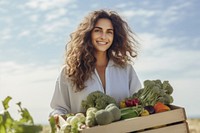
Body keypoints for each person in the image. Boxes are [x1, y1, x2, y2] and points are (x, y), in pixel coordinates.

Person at [49, 9, 142, 122]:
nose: (103, 36)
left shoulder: (126, 69)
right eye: (98, 30)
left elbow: (139, 103)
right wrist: (58, 118)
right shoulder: (69, 72)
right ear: (88, 33)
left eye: (109, 32)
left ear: (115, 36)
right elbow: (59, 108)